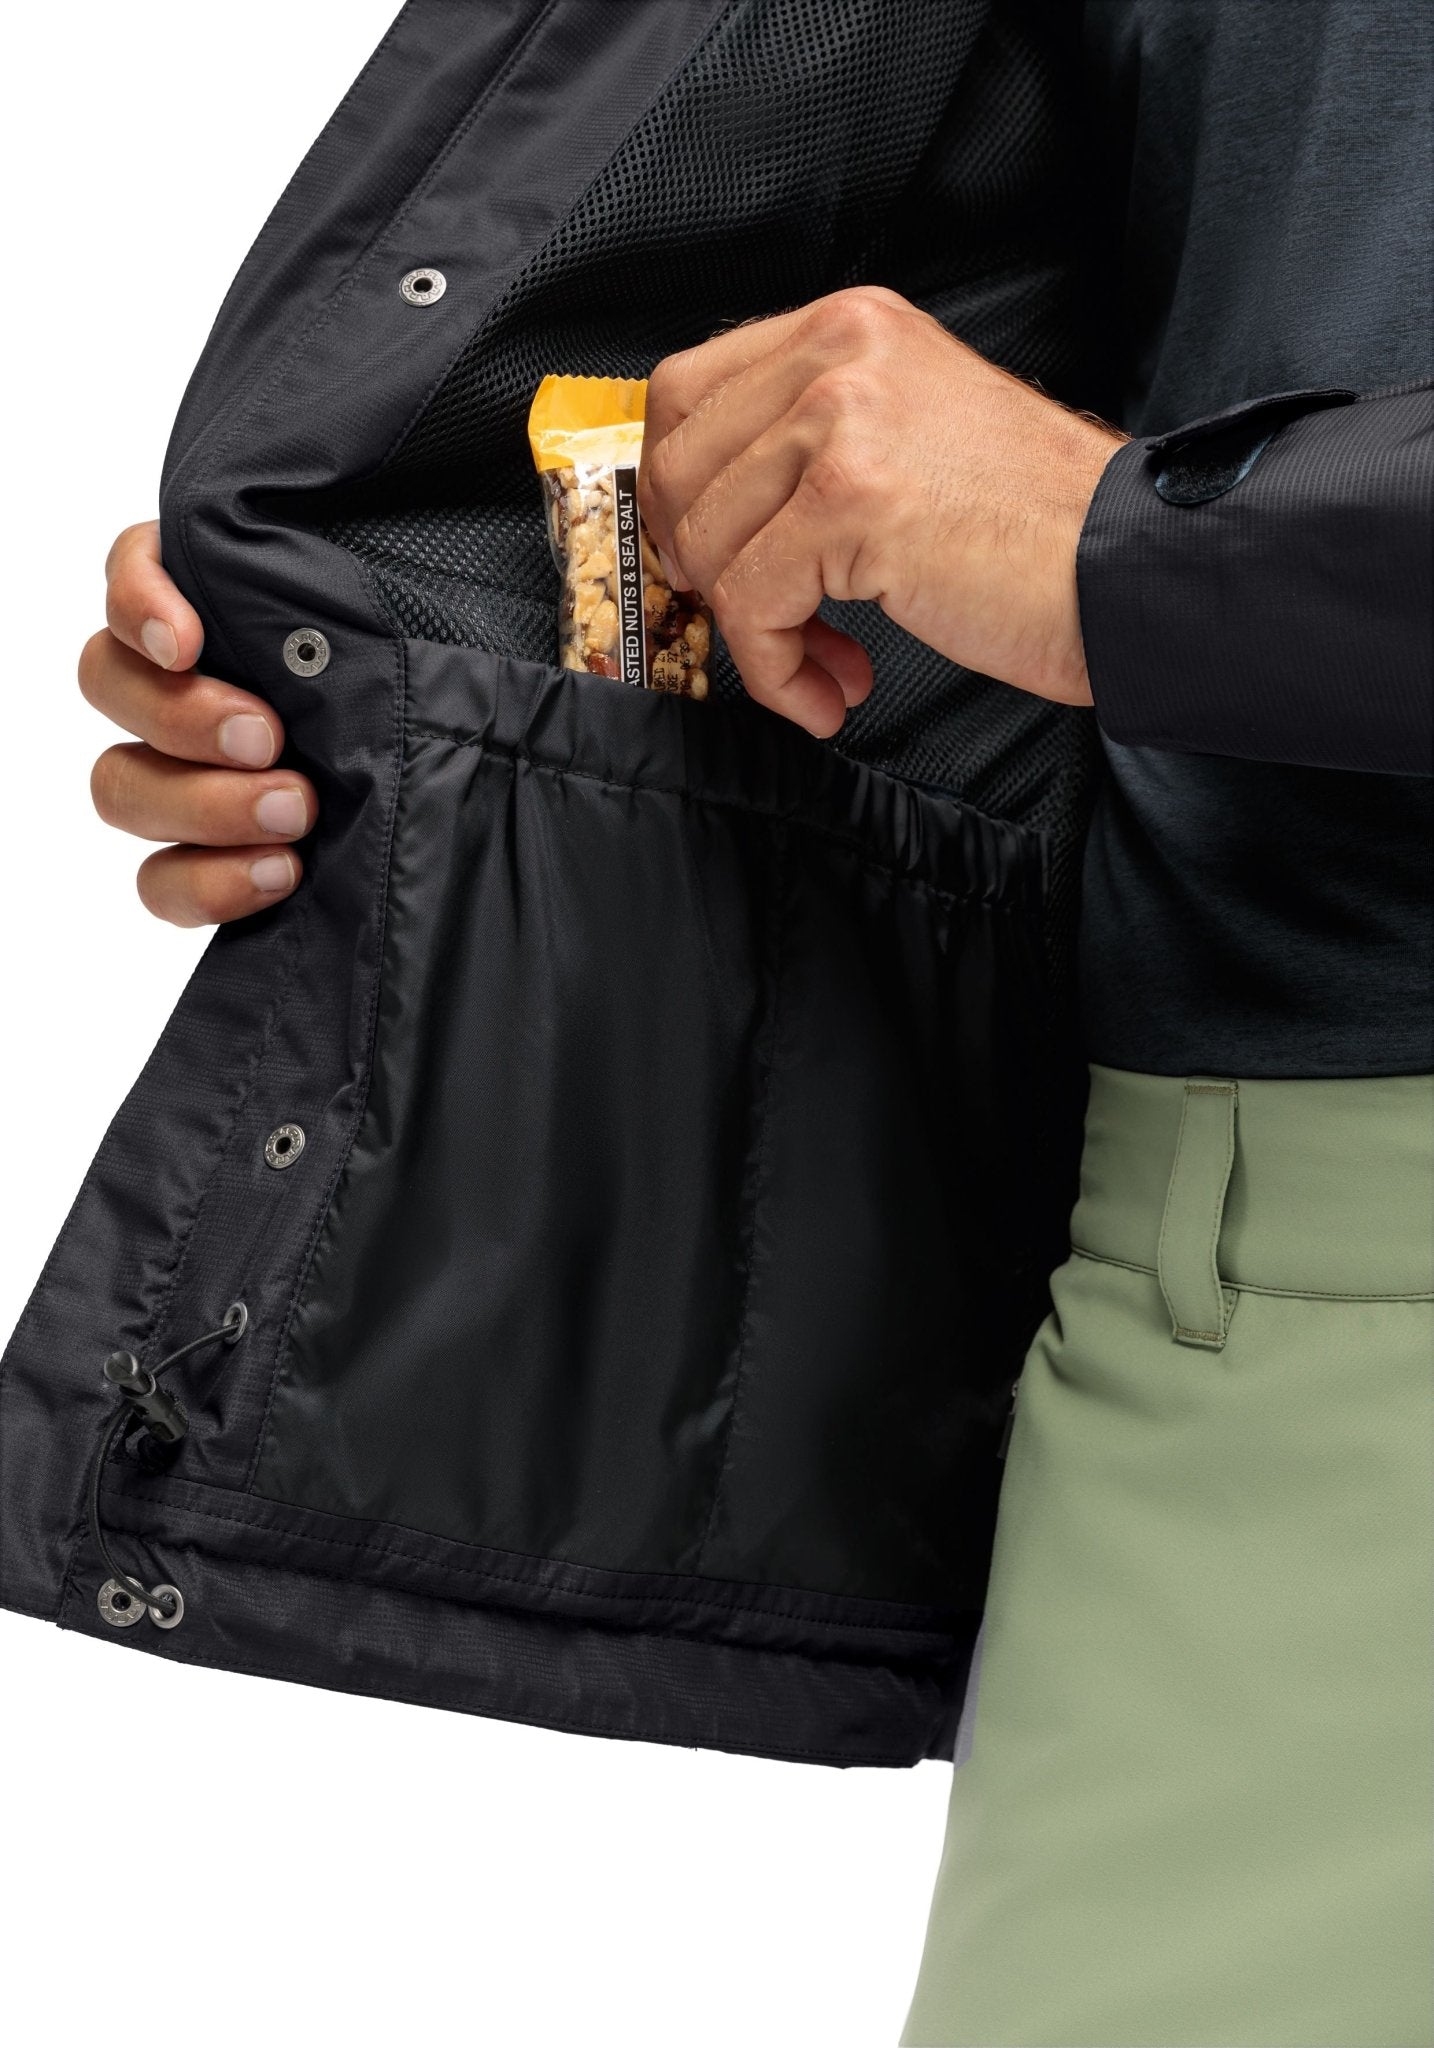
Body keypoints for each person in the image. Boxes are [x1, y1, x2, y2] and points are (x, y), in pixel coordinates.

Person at [77, 1, 1431, 2041]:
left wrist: (1146, 551)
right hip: (1258, 1279)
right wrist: (435, 670)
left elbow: (1115, 517)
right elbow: (1144, 271)